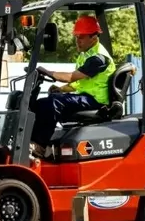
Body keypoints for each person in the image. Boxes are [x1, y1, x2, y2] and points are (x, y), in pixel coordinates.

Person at [29, 15, 116, 157]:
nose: (77, 41)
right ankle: (33, 142)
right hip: (86, 97)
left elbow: (71, 77)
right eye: (76, 37)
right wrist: (60, 89)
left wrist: (48, 72)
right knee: (42, 103)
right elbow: (79, 83)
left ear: (93, 38)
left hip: (96, 102)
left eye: (81, 37)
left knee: (53, 103)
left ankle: (40, 146)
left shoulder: (98, 58)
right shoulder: (86, 55)